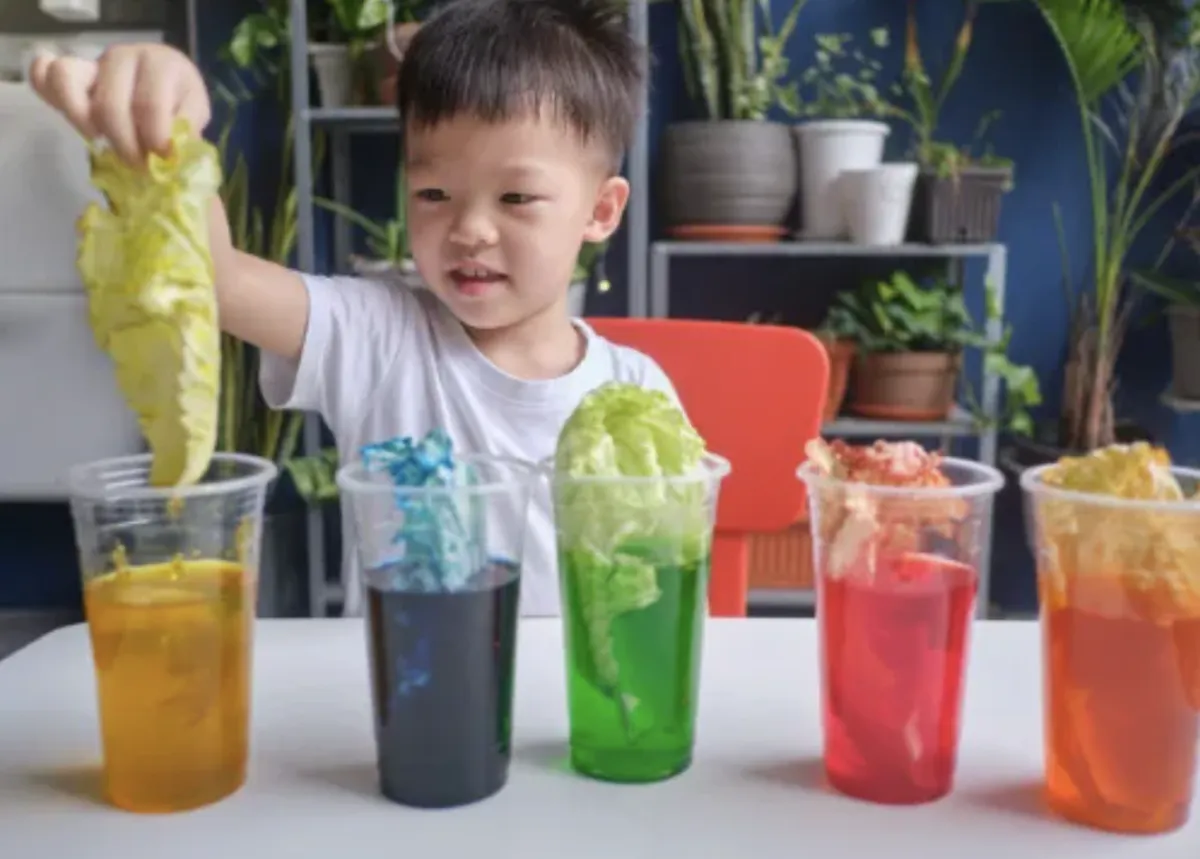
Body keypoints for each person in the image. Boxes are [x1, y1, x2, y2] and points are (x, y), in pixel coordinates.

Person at [29, 0, 679, 617]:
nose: (469, 229)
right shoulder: (379, 335)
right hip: (403, 706)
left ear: (599, 210)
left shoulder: (637, 392)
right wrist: (168, 135)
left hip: (579, 719)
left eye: (515, 198)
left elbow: (671, 581)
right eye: (433, 192)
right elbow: (217, 278)